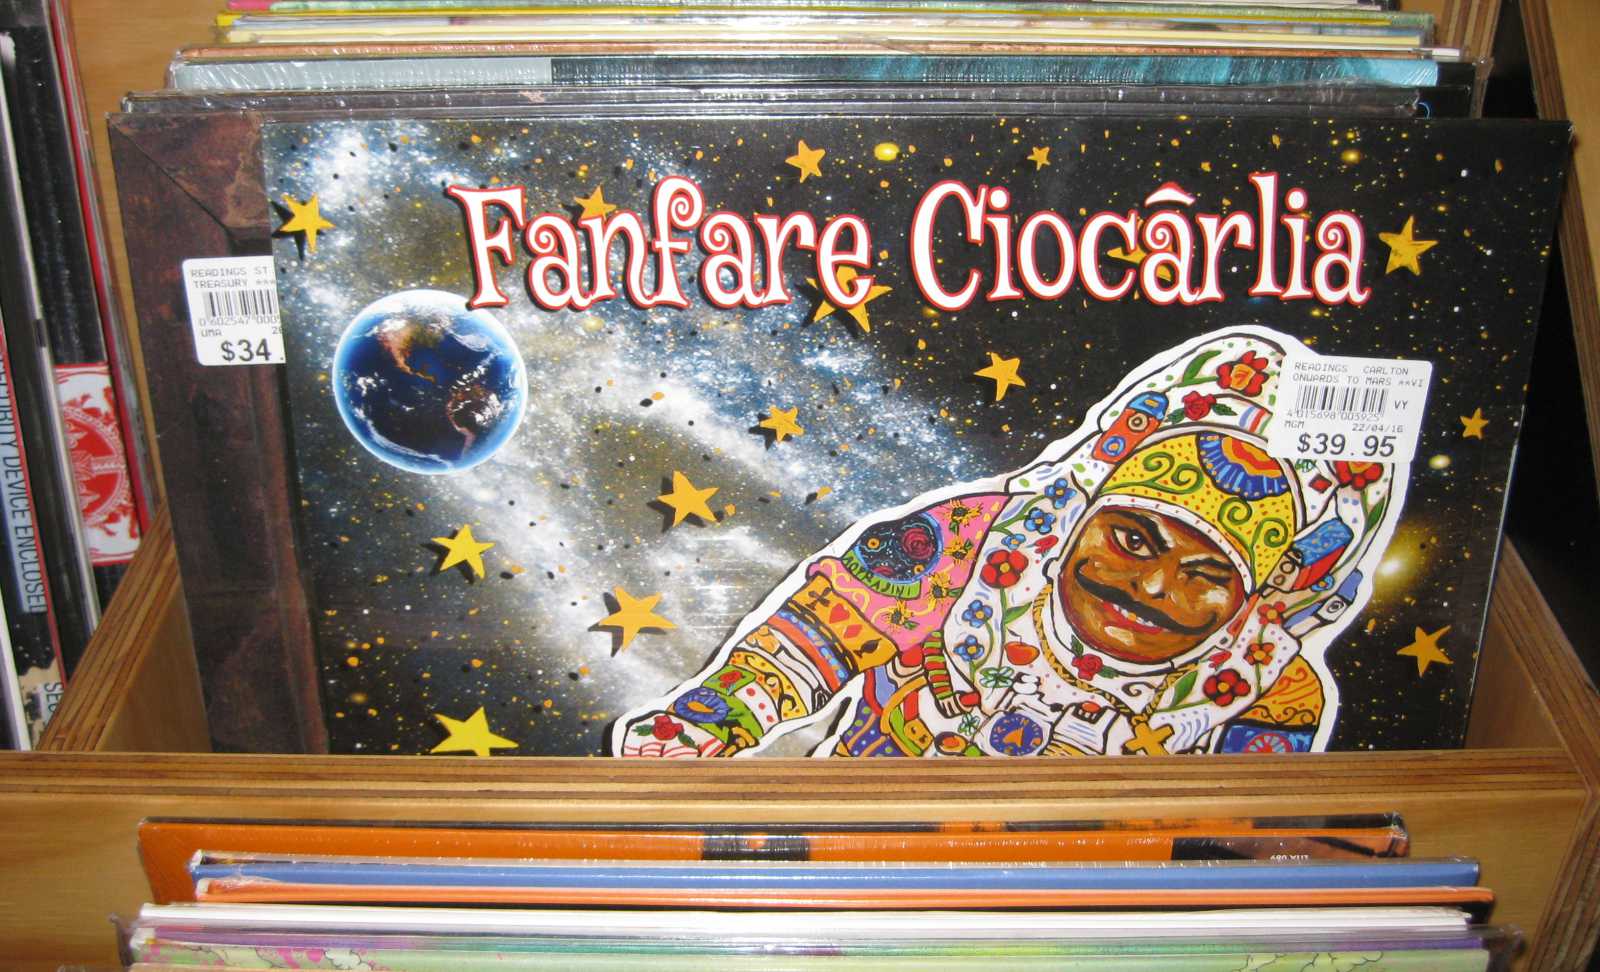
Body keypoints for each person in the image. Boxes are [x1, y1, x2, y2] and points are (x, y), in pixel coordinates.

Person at [614, 327, 1404, 758]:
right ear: (1085, 506)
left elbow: (1242, 849)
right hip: (866, 861)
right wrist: (704, 731)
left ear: (1263, 591)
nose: (1154, 587)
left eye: (1207, 573)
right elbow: (811, 642)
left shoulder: (1269, 689)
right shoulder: (968, 544)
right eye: (1132, 538)